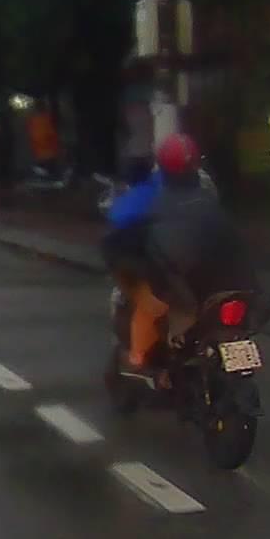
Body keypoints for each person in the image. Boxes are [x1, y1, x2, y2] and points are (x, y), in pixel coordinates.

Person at [112, 133, 260, 387]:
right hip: (229, 281)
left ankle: (142, 362)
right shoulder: (206, 191)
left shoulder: (157, 197)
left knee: (147, 306)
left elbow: (140, 233)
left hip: (185, 284)